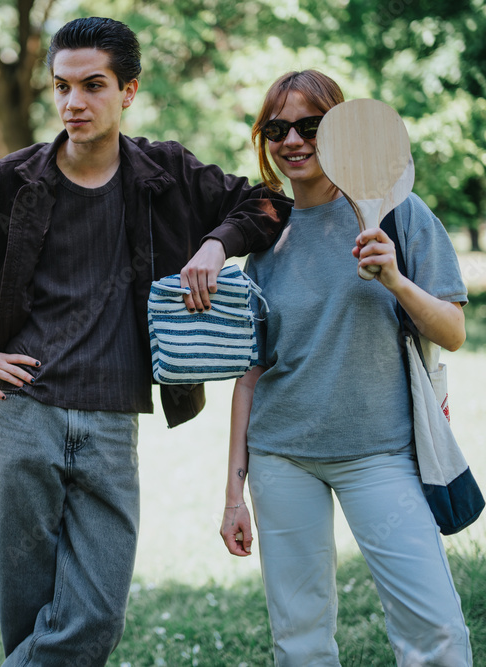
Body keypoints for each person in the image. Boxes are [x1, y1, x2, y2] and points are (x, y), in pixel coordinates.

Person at [0, 17, 290, 666]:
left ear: (128, 91)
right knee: (28, 615)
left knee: (97, 614)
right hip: (23, 414)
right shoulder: (10, 181)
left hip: (112, 422)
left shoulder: (165, 174)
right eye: (62, 86)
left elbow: (269, 204)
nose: (73, 102)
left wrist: (217, 244)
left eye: (93, 85)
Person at [219, 69, 472, 666]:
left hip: (380, 454)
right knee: (299, 638)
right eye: (277, 128)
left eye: (311, 126)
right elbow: (250, 373)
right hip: (282, 457)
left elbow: (454, 331)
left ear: (337, 132)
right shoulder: (266, 237)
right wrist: (234, 493)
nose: (293, 141)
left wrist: (396, 279)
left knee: (434, 632)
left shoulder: (400, 214)